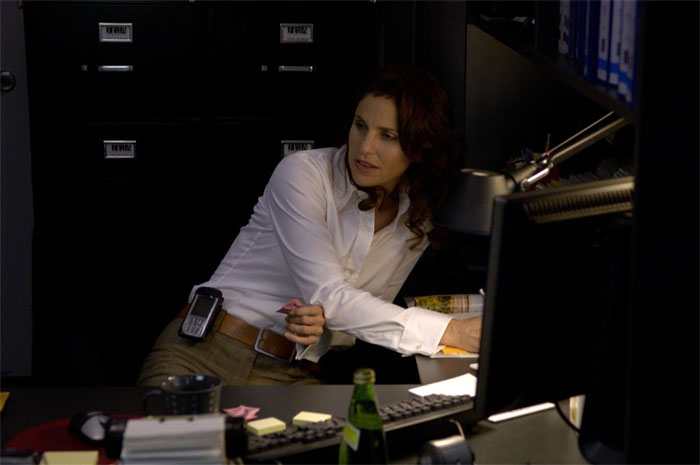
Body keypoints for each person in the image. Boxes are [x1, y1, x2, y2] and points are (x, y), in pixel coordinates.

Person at [137, 63, 482, 386]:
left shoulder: (417, 218)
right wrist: (452, 331)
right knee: (168, 435)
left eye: (388, 136)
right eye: (360, 125)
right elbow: (330, 296)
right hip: (206, 351)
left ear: (419, 147)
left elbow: (359, 319)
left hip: (291, 374)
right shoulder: (303, 173)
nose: (365, 147)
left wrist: (326, 324)